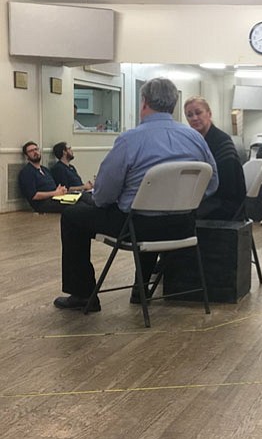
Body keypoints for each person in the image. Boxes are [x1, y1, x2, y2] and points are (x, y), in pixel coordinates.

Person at [53, 77, 218, 312]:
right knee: (145, 213)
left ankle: (81, 294)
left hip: (138, 228)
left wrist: (99, 198)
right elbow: (212, 183)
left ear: (144, 103)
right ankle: (142, 289)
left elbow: (104, 196)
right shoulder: (195, 139)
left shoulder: (130, 140)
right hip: (183, 226)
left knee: (72, 215)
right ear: (173, 105)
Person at [183, 96, 246, 220]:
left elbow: (228, 187)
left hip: (224, 204)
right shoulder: (194, 142)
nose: (194, 118)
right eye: (189, 115)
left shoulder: (222, 141)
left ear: (209, 113)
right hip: (205, 198)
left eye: (198, 113)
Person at [18, 141, 68, 213]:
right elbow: (34, 195)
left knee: (82, 198)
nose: (35, 152)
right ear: (26, 156)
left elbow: (54, 187)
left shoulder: (45, 170)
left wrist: (61, 190)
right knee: (77, 206)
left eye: (36, 149)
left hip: (56, 198)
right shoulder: (26, 172)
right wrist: (55, 193)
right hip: (43, 204)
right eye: (31, 151)